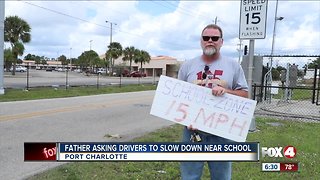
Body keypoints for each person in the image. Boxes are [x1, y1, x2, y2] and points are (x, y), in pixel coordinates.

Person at [178, 24, 249, 180]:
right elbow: (178, 97)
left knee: (221, 177)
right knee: (189, 177)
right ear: (201, 41)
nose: (210, 41)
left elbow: (244, 95)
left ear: (221, 42)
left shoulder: (233, 66)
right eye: (206, 38)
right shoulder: (187, 66)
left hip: (221, 133)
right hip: (192, 132)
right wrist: (186, 119)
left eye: (214, 38)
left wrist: (226, 91)